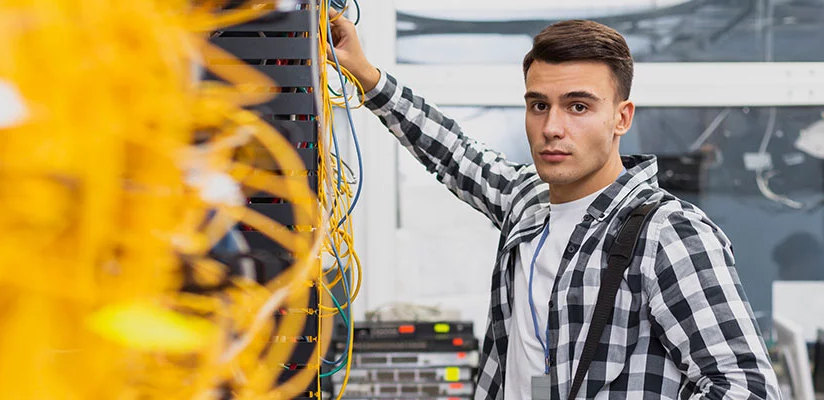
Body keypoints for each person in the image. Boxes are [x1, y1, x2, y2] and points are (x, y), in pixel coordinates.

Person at [327, 17, 781, 400]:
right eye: (538, 105)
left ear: (621, 117)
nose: (552, 127)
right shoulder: (528, 202)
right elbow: (454, 152)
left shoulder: (666, 233)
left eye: (578, 106)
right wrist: (366, 75)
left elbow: (744, 386)